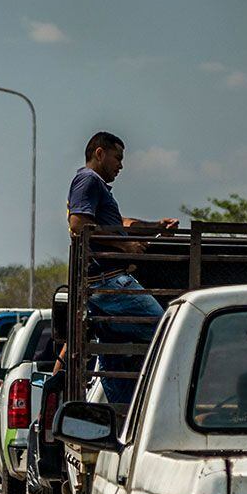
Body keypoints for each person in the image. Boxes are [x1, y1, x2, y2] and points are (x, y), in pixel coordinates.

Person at [66, 132, 176, 401]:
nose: (121, 165)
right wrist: (124, 247)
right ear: (100, 153)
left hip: (102, 283)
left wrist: (155, 227)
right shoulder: (88, 180)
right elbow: (79, 224)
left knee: (112, 357)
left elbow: (121, 223)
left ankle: (120, 417)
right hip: (110, 281)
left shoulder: (95, 187)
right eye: (117, 158)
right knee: (167, 332)